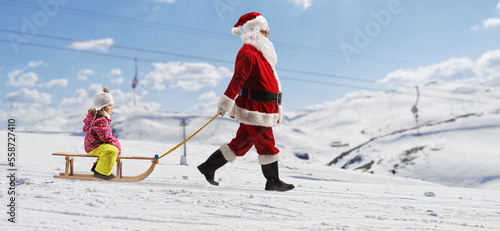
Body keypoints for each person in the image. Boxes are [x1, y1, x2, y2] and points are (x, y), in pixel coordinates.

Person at [198, 12, 294, 191]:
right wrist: (226, 101)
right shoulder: (248, 53)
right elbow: (238, 78)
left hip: (262, 107)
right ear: (256, 31)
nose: (267, 36)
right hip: (255, 108)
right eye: (266, 32)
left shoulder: (260, 54)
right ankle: (272, 181)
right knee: (266, 142)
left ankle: (208, 167)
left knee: (240, 144)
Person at [83, 86, 121, 180]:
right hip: (93, 146)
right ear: (103, 108)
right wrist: (115, 144)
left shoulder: (100, 118)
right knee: (112, 150)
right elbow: (105, 137)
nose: (112, 107)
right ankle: (102, 172)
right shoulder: (101, 120)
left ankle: (97, 167)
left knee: (110, 149)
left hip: (93, 145)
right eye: (109, 105)